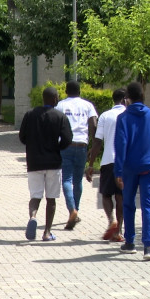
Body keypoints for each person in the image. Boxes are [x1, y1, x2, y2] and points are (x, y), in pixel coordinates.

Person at [114, 82, 150, 261]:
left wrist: (118, 171)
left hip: (129, 168)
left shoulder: (123, 118)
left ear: (127, 99)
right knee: (148, 205)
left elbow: (120, 146)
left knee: (128, 203)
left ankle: (129, 242)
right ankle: (149, 246)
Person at [19, 87, 72, 241]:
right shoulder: (60, 117)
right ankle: (47, 232)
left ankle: (33, 216)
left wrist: (33, 146)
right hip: (53, 162)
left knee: (35, 196)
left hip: (34, 162)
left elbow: (22, 137)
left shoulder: (30, 115)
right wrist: (57, 148)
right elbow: (68, 138)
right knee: (51, 198)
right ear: (54, 98)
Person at [85, 89, 127, 242]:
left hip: (108, 160)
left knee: (106, 194)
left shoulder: (105, 116)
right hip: (125, 162)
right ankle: (119, 230)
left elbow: (97, 141)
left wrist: (90, 165)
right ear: (124, 99)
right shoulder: (129, 115)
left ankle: (111, 221)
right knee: (121, 195)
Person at [55, 81, 98, 230]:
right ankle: (76, 210)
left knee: (66, 178)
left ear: (66, 91)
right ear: (80, 91)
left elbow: (55, 125)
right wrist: (93, 145)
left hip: (66, 145)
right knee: (78, 180)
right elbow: (93, 125)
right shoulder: (87, 106)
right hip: (81, 145)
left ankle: (72, 210)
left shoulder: (60, 105)